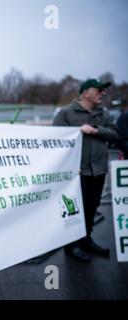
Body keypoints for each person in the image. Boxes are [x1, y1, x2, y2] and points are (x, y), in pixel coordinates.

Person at [53, 79, 120, 262]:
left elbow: (115, 134)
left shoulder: (103, 113)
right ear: (85, 93)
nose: (102, 93)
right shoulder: (66, 113)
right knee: (75, 210)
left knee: (92, 207)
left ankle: (86, 239)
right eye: (98, 90)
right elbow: (54, 139)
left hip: (98, 170)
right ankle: (72, 244)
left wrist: (95, 130)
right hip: (76, 172)